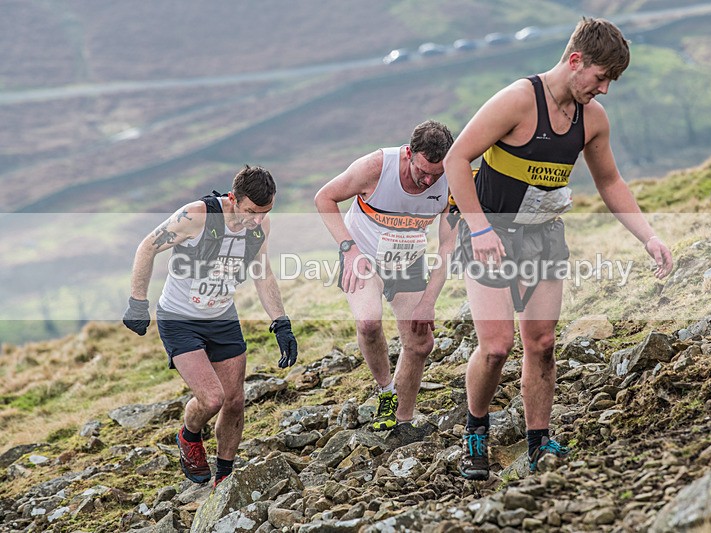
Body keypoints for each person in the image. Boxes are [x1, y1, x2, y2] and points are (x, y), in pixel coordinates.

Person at [443, 17, 673, 480]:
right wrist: (480, 229)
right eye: (602, 77)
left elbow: (610, 181)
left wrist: (648, 236)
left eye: (612, 81)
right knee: (495, 347)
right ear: (575, 61)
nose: (605, 89)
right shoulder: (518, 100)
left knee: (542, 343)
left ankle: (538, 441)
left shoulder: (593, 120)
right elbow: (455, 158)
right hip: (491, 233)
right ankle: (475, 433)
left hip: (544, 234)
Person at [122, 165, 298, 487]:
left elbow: (262, 273)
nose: (257, 220)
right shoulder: (197, 216)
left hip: (221, 317)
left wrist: (281, 322)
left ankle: (225, 476)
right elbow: (148, 245)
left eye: (265, 212)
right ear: (233, 198)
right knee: (213, 399)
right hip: (179, 319)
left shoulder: (259, 227)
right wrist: (137, 301)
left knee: (234, 400)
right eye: (251, 212)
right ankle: (189, 437)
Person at [315, 120, 456, 440]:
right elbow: (324, 198)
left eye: (437, 174)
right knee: (368, 322)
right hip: (362, 254)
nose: (429, 180)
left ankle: (402, 422)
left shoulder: (451, 178)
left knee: (421, 343)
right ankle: (386, 391)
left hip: (407, 260)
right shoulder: (376, 167)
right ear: (409, 154)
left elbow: (448, 244)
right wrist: (348, 250)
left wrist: (428, 302)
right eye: (423, 171)